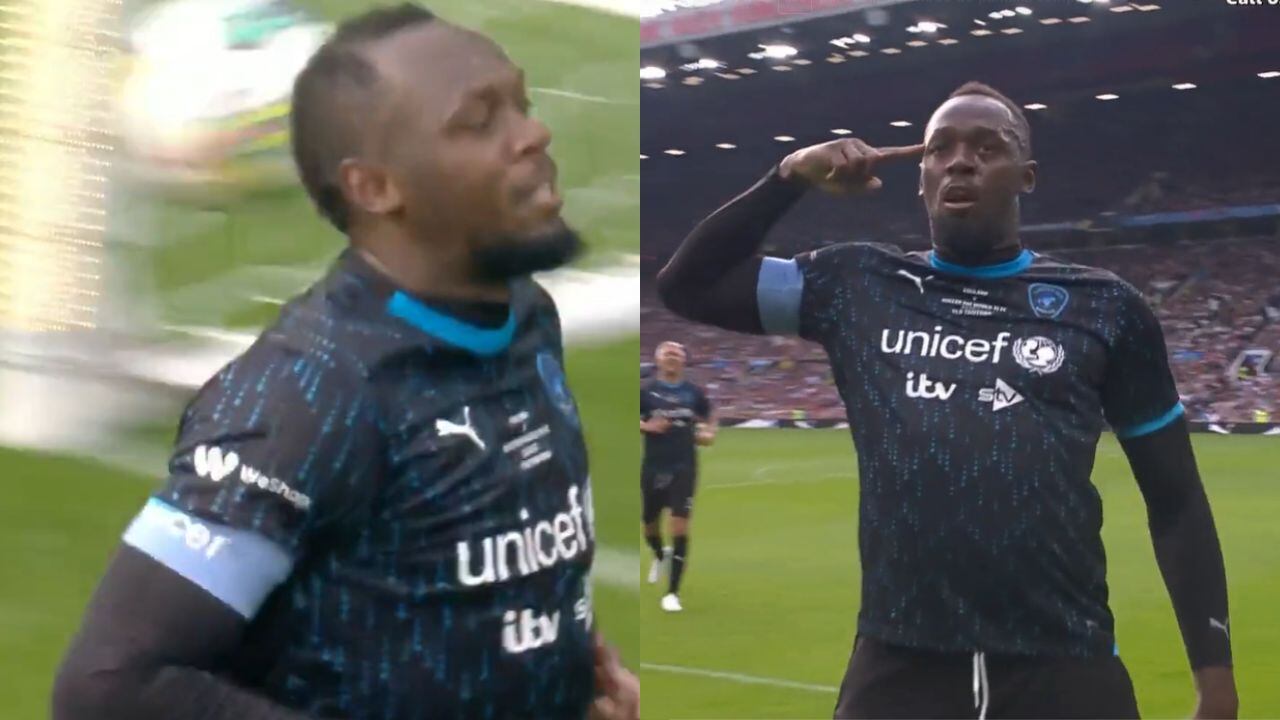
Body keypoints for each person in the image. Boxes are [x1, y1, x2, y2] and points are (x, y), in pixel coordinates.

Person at [51, 6, 638, 719]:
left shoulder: (523, 317)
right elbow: (110, 686)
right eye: (478, 121)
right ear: (374, 187)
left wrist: (557, 672)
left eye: (522, 104)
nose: (533, 134)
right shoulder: (308, 393)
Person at [657, 81, 1236, 719]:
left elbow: (1177, 500)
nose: (960, 160)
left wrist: (1215, 681)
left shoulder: (1106, 307)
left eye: (988, 147)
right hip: (900, 664)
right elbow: (689, 285)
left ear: (1027, 176)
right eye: (940, 149)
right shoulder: (858, 285)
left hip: (1065, 663)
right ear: (922, 175)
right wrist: (790, 174)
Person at [640, 341, 714, 612]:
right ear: (658, 360)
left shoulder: (693, 392)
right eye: (667, 353)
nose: (672, 357)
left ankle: (672, 593)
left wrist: (708, 432)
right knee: (649, 526)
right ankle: (660, 555)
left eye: (677, 353)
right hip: (653, 466)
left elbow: (709, 416)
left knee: (680, 526)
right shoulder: (645, 391)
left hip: (684, 466)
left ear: (684, 361)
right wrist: (647, 426)